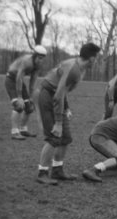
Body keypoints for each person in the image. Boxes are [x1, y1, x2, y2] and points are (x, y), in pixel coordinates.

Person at [36, 42, 101, 185]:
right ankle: (42, 173)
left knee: (65, 137)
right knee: (54, 137)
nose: (96, 61)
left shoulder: (79, 68)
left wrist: (67, 108)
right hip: (48, 97)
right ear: (91, 58)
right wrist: (58, 122)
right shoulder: (74, 69)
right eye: (96, 57)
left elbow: (63, 90)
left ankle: (57, 171)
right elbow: (58, 94)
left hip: (56, 97)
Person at [4, 45, 47, 140]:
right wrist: (19, 96)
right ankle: (15, 132)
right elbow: (19, 77)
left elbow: (32, 82)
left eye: (42, 59)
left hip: (20, 82)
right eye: (39, 58)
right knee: (19, 105)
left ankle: (23, 129)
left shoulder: (37, 66)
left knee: (29, 107)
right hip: (11, 80)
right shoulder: (27, 62)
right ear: (34, 56)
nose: (41, 61)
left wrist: (31, 96)